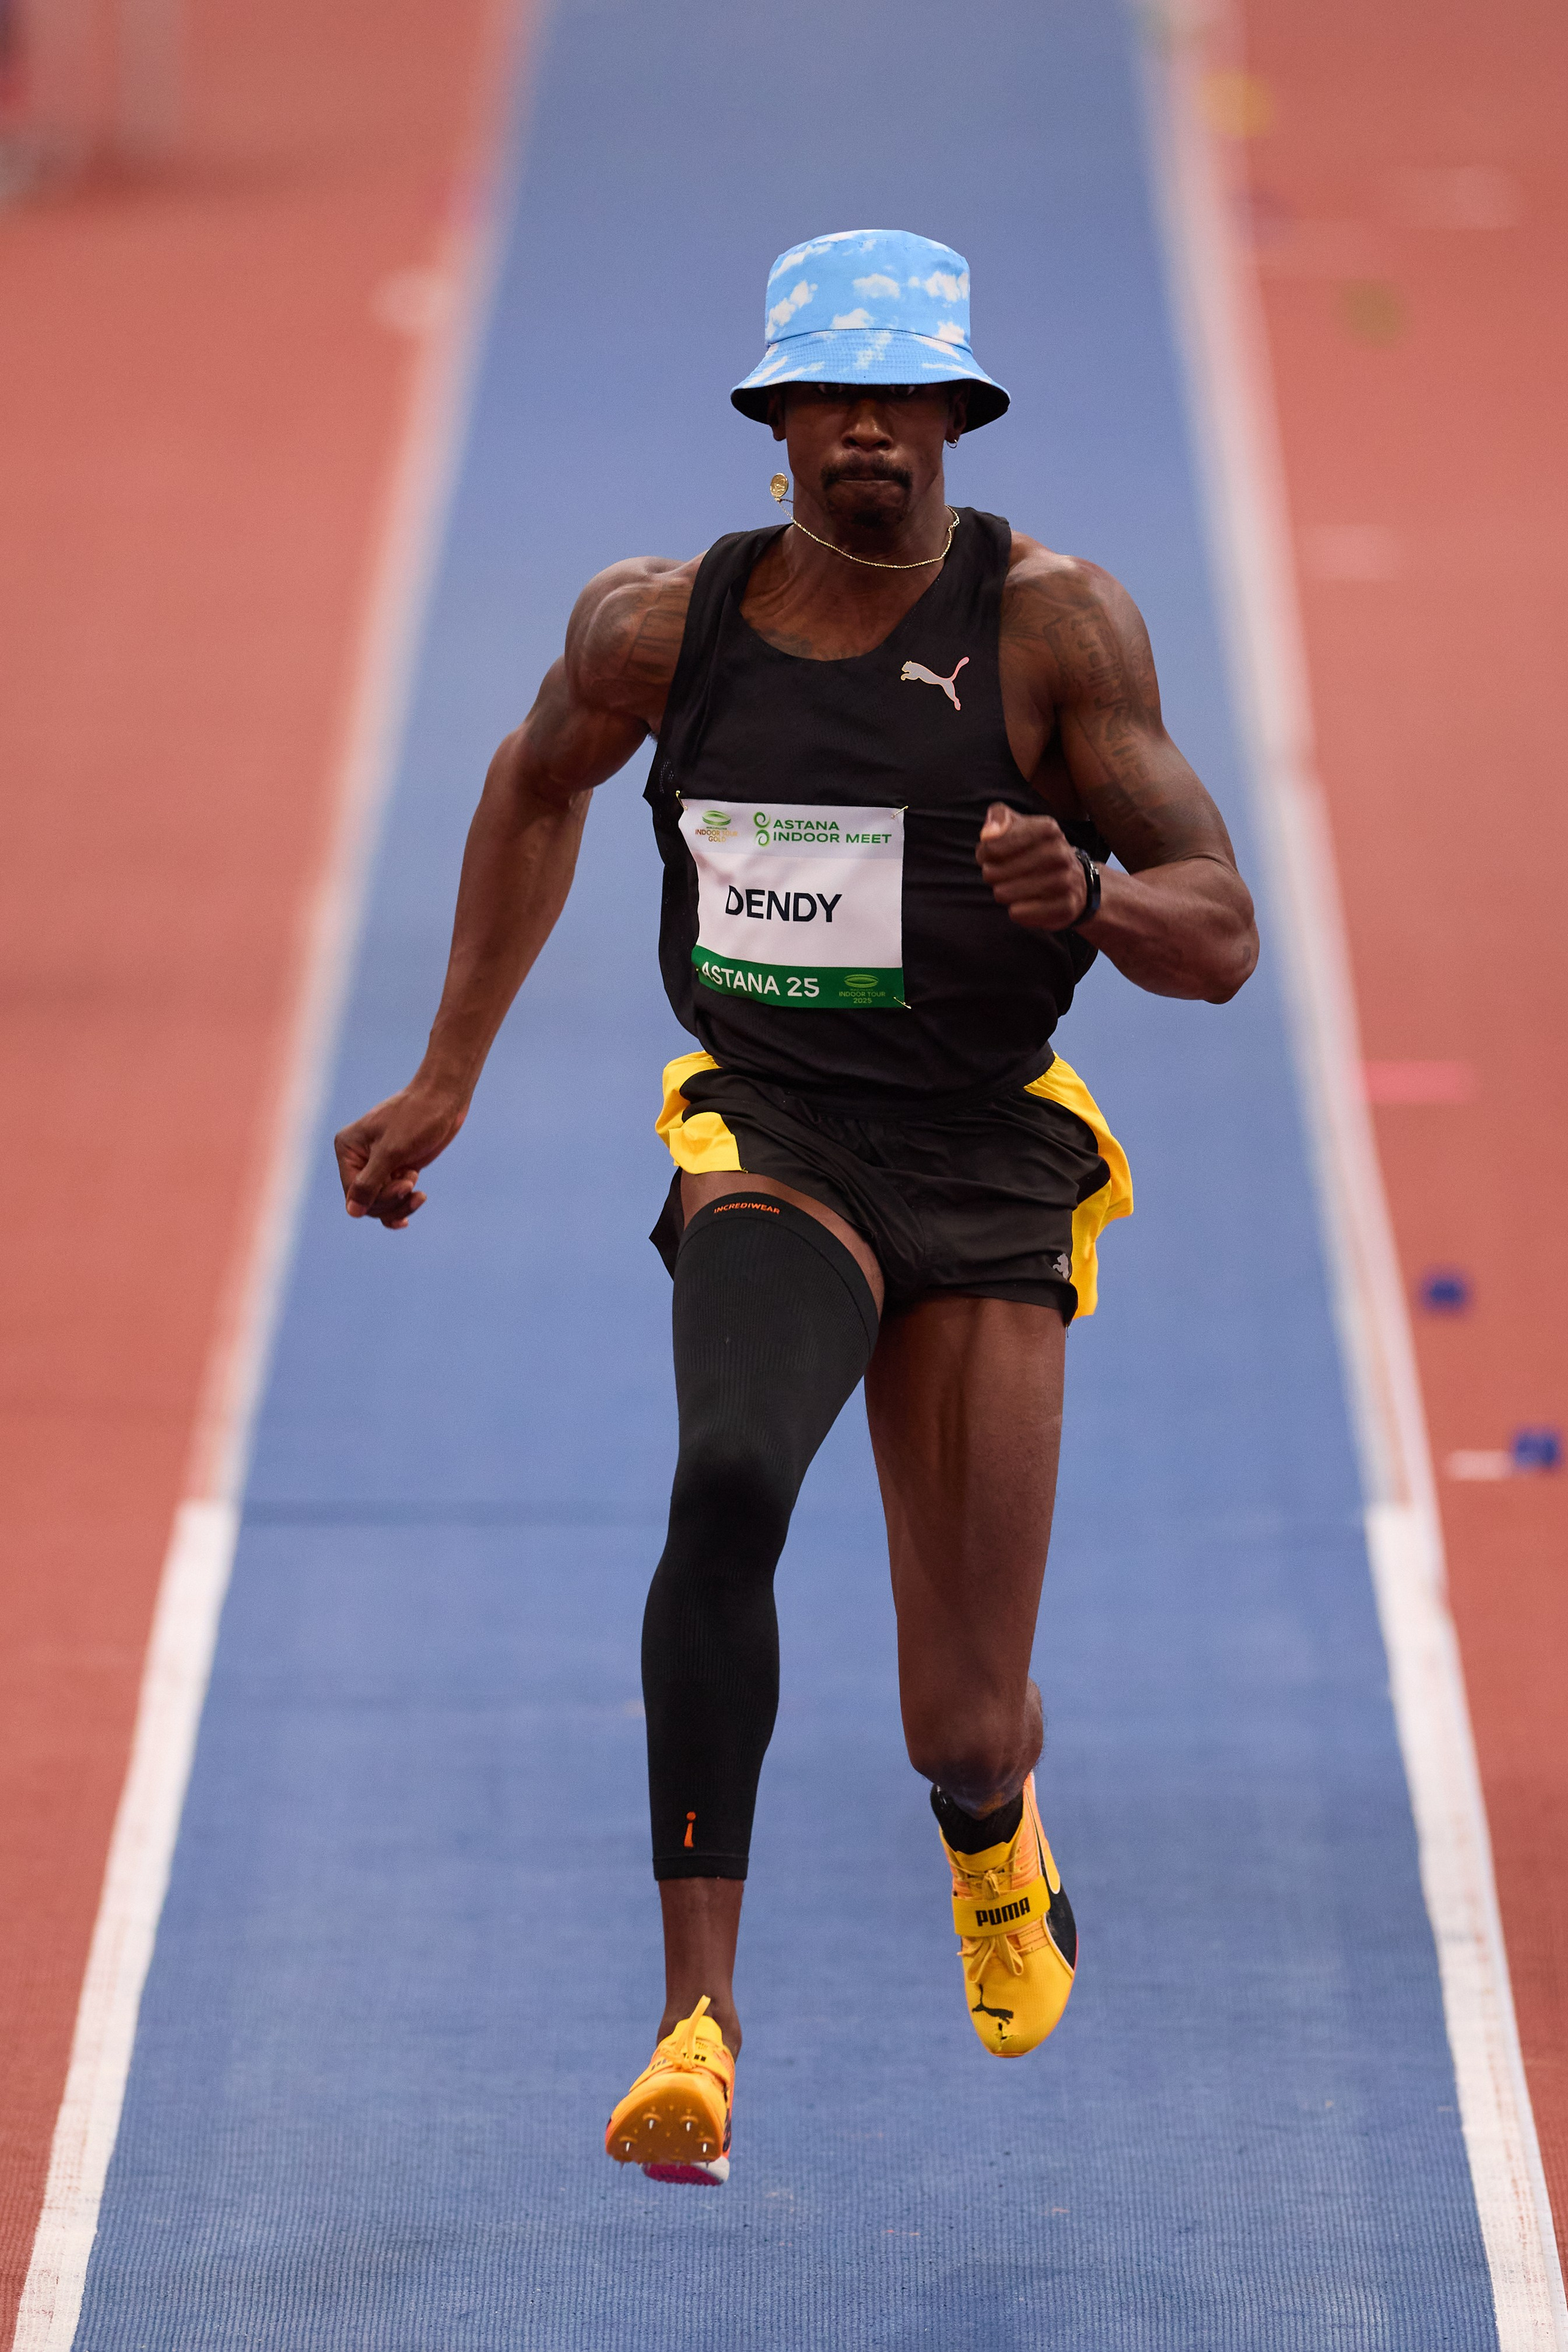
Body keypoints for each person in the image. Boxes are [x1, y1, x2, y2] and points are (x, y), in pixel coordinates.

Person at [334, 228, 1257, 2187]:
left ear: (953, 416)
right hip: (774, 1131)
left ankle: (996, 1830)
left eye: (899, 398)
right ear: (773, 425)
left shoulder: (1054, 633)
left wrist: (1085, 899)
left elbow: (1224, 931)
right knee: (731, 1474)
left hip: (990, 1151)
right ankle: (700, 2015)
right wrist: (445, 1076)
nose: (865, 430)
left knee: (959, 1712)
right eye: (827, 397)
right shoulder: (659, 632)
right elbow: (531, 788)